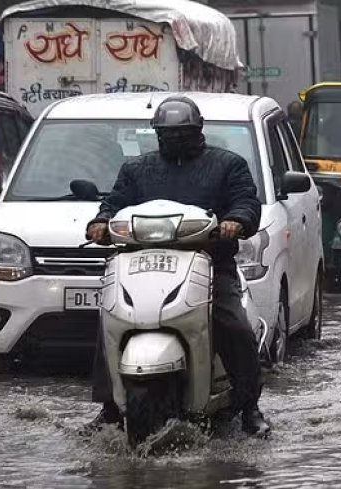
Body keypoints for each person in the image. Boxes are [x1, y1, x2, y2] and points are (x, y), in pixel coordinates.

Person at [84, 96, 270, 437]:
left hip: (210, 262)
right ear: (156, 135)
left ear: (198, 130)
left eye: (182, 133)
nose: (175, 140)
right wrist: (101, 222)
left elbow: (246, 201)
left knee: (234, 325)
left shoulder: (228, 165)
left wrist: (235, 220)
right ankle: (110, 407)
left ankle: (249, 407)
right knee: (109, 321)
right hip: (142, 265)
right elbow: (113, 204)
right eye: (167, 135)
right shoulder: (137, 169)